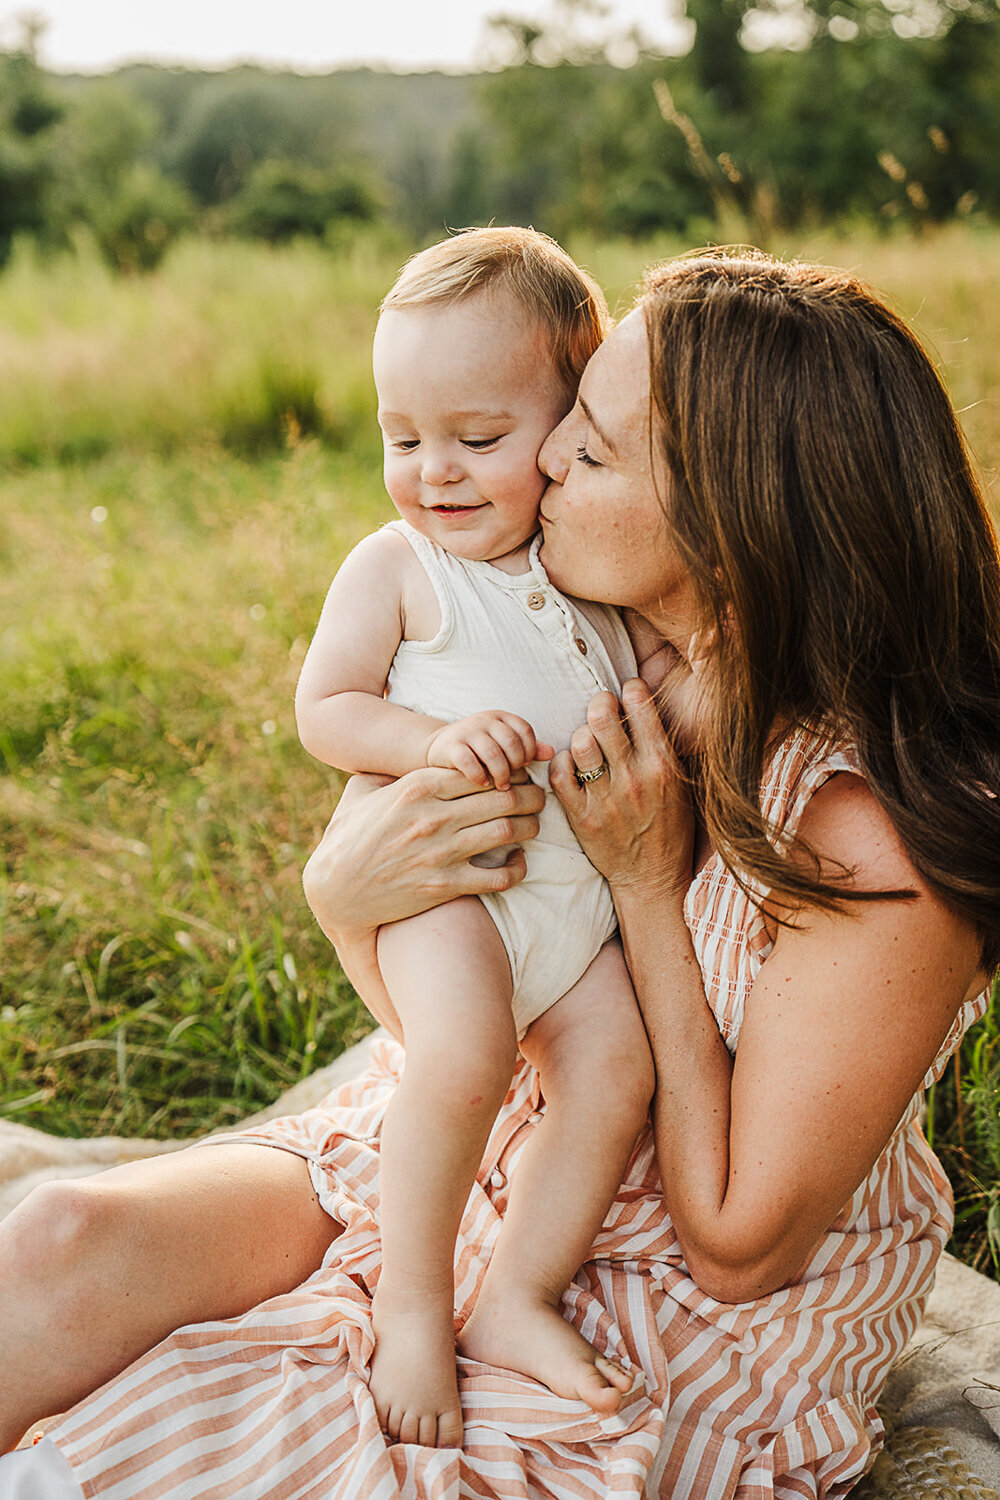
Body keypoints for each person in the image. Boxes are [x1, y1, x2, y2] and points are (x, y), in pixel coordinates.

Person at [1, 246, 998, 1500]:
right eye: (565, 420)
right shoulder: (613, 653)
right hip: (486, 1140)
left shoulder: (867, 827)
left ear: (733, 520)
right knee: (59, 1239)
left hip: (666, 1291)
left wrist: (646, 890)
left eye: (591, 447)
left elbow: (740, 1246)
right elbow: (460, 1009)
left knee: (217, 1447)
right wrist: (343, 899)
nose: (546, 463)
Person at [293, 227, 655, 1446]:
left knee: (613, 1069)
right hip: (447, 891)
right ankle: (410, 1299)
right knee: (460, 1056)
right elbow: (325, 709)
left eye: (478, 440)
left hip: (572, 905)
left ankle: (513, 1294)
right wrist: (424, 743)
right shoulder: (398, 567)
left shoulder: (586, 566)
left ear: (567, 428)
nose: (433, 472)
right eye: (403, 439)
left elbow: (660, 671)